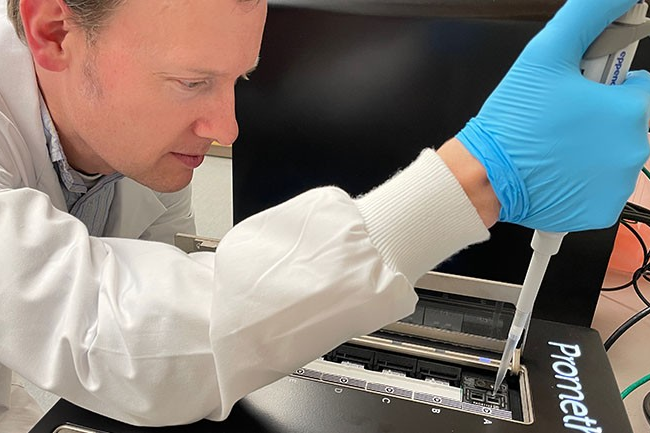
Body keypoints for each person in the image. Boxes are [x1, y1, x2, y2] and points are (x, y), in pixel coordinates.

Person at [1, 0, 648, 430]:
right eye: (191, 82)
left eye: (237, 81)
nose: (225, 127)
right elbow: (126, 342)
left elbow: (165, 291)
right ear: (54, 33)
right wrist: (477, 179)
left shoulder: (138, 147)